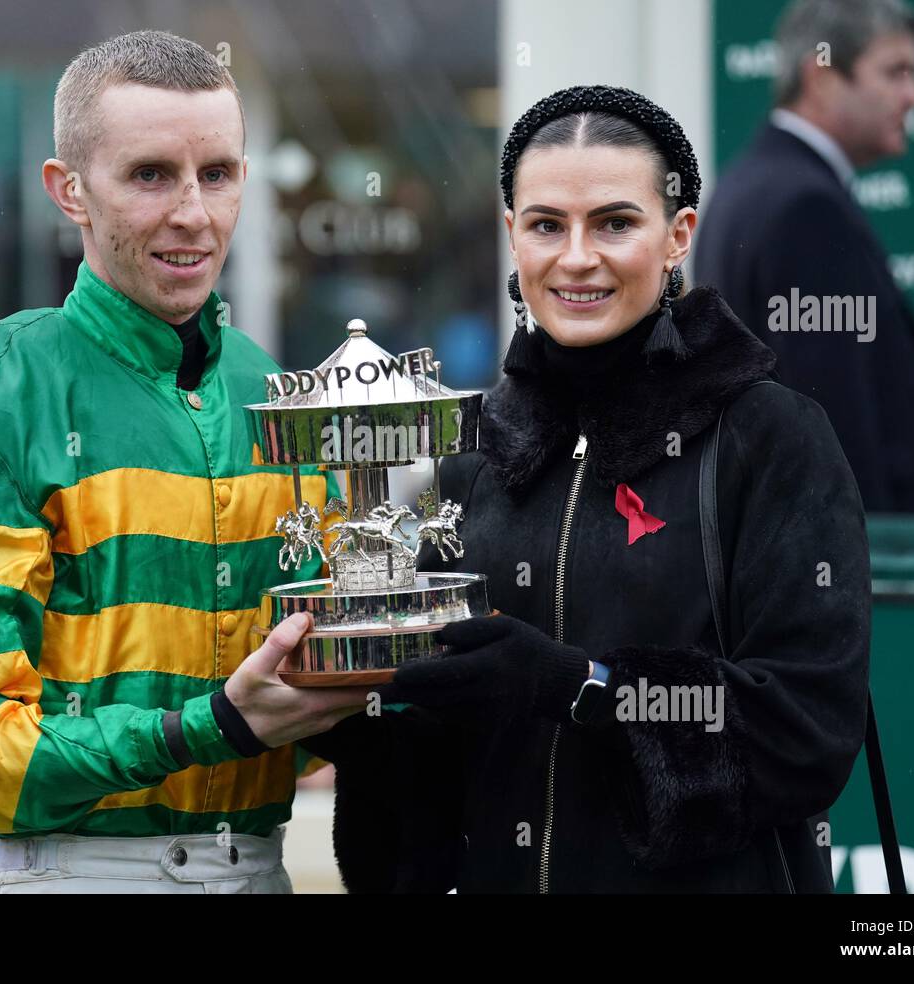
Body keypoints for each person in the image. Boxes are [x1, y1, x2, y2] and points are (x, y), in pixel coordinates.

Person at [303, 85, 871, 893]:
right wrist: (354, 712)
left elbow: (806, 730)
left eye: (614, 222)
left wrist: (587, 690)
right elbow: (435, 771)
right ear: (512, 237)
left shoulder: (772, 436)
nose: (576, 257)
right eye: (545, 226)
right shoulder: (475, 450)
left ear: (678, 235)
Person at [0, 30, 368, 894]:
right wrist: (206, 728)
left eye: (217, 174)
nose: (193, 213)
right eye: (150, 175)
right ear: (69, 192)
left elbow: (301, 688)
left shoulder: (277, 391)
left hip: (261, 867)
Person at [695, 0, 914, 513]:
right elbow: (834, 431)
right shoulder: (804, 207)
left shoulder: (752, 184)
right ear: (822, 75)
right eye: (896, 72)